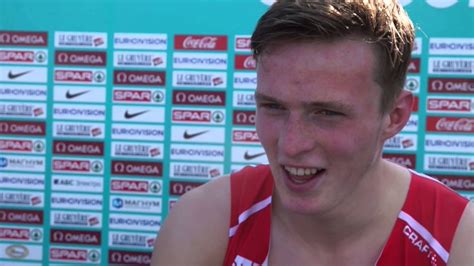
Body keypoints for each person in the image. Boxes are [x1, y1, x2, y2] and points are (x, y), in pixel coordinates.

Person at [151, 1, 474, 265]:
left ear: (394, 116)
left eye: (327, 113)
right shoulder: (207, 219)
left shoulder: (458, 239)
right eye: (273, 107)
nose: (292, 145)